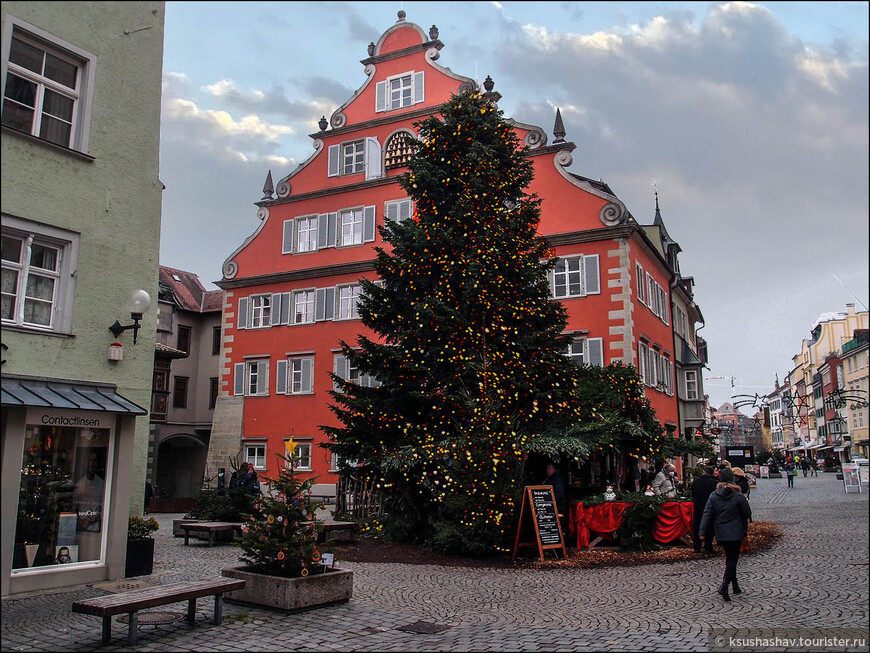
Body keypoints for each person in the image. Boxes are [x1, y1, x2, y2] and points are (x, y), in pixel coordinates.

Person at [699, 467, 752, 601]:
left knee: (730, 558)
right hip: (736, 531)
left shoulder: (714, 495)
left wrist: (702, 532)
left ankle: (735, 585)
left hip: (721, 531)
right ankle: (725, 585)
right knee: (733, 559)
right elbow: (747, 513)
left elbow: (707, 514)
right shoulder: (738, 495)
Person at [691, 465, 718, 554]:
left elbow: (693, 493)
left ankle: (697, 546)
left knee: (697, 524)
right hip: (709, 506)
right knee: (709, 526)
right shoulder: (713, 482)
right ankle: (708, 546)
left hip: (698, 506)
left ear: (703, 472)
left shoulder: (696, 481)